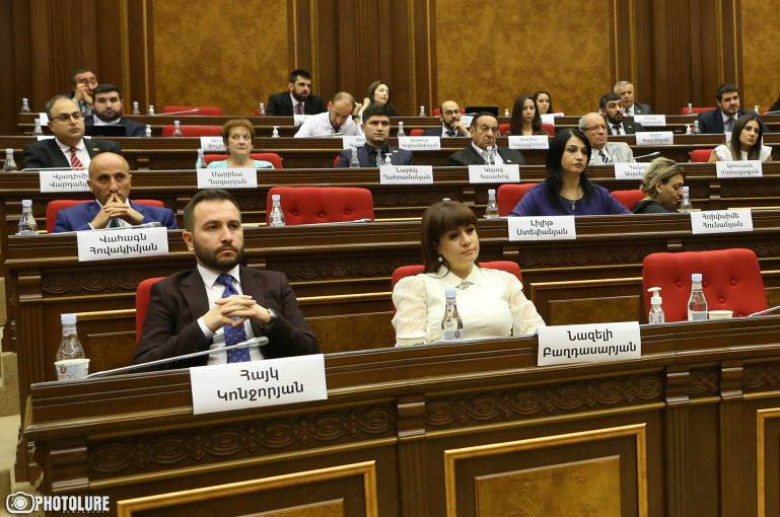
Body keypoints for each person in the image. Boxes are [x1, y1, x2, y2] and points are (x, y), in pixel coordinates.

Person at [133, 189, 319, 369]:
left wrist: (269, 319)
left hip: (269, 384)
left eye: (234, 226)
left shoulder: (274, 282)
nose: (227, 237)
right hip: (207, 388)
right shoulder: (168, 291)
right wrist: (204, 325)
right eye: (213, 227)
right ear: (189, 241)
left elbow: (311, 353)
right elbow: (143, 367)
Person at [392, 200, 544, 346]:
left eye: (470, 230)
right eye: (454, 235)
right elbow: (410, 348)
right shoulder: (416, 288)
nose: (466, 241)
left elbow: (536, 334)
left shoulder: (505, 280)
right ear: (436, 246)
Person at [509, 129, 630, 216]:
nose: (580, 157)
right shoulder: (537, 194)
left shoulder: (600, 194)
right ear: (557, 154)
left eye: (584, 152)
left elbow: (631, 222)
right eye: (572, 150)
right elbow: (511, 226)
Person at [54, 152, 177, 232]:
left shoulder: (163, 217)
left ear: (130, 181)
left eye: (120, 177)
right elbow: (60, 255)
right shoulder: (67, 218)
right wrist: (93, 226)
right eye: (104, 179)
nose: (113, 187)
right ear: (90, 186)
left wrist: (142, 221)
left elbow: (172, 250)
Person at [22, 95, 121, 170]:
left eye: (76, 116)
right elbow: (33, 185)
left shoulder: (108, 149)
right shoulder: (37, 153)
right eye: (64, 118)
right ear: (51, 126)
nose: (73, 122)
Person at [337, 104, 413, 167]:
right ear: (363, 128)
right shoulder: (349, 156)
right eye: (374, 123)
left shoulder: (405, 156)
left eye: (384, 124)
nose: (380, 128)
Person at [446, 112, 526, 166]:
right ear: (472, 131)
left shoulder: (515, 156)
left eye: (494, 130)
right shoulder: (458, 161)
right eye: (484, 128)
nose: (490, 134)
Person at [207, 119, 275, 169]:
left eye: (246, 137)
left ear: (252, 144)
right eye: (235, 137)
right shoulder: (214, 168)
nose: (241, 142)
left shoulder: (266, 167)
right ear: (226, 143)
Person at [708, 113, 773, 162]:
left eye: (756, 131)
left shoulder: (764, 153)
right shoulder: (722, 152)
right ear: (738, 131)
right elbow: (709, 175)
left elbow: (770, 176)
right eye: (748, 129)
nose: (752, 134)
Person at [294, 92, 362, 137]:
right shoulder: (312, 122)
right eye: (337, 114)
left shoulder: (351, 123)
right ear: (329, 106)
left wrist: (356, 118)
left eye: (345, 117)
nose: (339, 121)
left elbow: (362, 143)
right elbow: (297, 144)